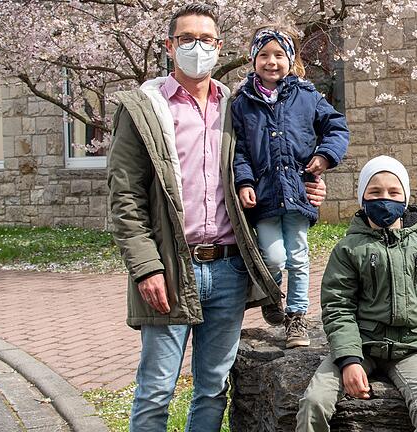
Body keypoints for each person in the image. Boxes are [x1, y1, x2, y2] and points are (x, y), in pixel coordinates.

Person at [107, 5, 326, 431]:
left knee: (212, 388)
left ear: (220, 46)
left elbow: (280, 153)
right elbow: (126, 199)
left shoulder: (238, 105)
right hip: (172, 267)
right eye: (186, 39)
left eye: (206, 40)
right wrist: (146, 267)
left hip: (229, 268)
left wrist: (312, 178)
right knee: (156, 390)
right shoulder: (143, 109)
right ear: (170, 46)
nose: (197, 47)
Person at [296, 156, 417, 432]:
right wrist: (349, 360)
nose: (385, 199)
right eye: (375, 192)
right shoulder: (348, 249)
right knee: (314, 401)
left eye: (394, 192)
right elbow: (338, 307)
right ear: (362, 198)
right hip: (362, 344)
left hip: (415, 346)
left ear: (405, 198)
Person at [231, 23, 350, 348]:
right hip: (265, 197)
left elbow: (336, 127)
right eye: (264, 55)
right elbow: (239, 149)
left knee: (297, 256)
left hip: (299, 192)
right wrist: (244, 181)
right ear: (253, 60)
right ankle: (272, 295)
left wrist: (325, 156)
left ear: (291, 59)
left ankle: (296, 318)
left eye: (279, 55)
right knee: (272, 257)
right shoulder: (242, 102)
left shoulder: (307, 95)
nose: (272, 61)